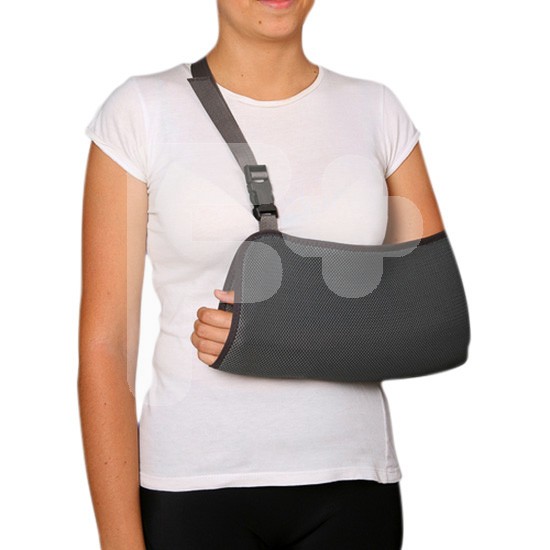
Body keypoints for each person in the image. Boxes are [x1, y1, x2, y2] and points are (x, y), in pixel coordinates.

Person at [78, 0, 444, 548]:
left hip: (351, 483)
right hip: (191, 486)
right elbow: (106, 347)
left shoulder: (376, 111)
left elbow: (433, 319)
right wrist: (119, 542)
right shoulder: (141, 111)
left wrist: (276, 333)